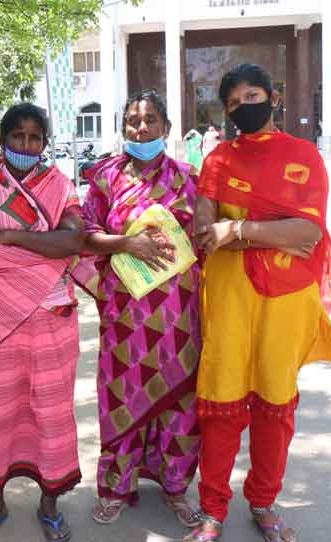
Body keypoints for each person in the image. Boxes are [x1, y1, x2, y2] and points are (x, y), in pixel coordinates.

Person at [186, 63, 331, 542]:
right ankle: (213, 509)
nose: (243, 108)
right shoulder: (218, 159)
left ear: (273, 97)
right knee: (221, 401)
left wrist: (238, 228)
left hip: (286, 301)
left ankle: (263, 501)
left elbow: (309, 232)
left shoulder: (305, 156)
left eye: (251, 96)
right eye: (233, 104)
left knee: (276, 403)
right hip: (231, 297)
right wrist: (273, 232)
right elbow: (203, 232)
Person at [73, 89, 203, 528]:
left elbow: (202, 239)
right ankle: (115, 486)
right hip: (125, 313)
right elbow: (86, 235)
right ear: (123, 127)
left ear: (166, 127)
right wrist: (129, 242)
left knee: (180, 400)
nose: (141, 127)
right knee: (121, 396)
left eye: (150, 120)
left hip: (178, 315)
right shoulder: (106, 177)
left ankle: (176, 487)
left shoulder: (188, 177)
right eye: (133, 120)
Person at [0, 103, 84, 542]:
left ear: (45, 143)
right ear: (3, 140)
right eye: (18, 137)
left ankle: (50, 504)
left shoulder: (59, 184)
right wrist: (47, 253)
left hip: (51, 322)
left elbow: (73, 239)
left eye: (35, 138)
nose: (26, 146)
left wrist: (11, 238)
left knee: (51, 415)